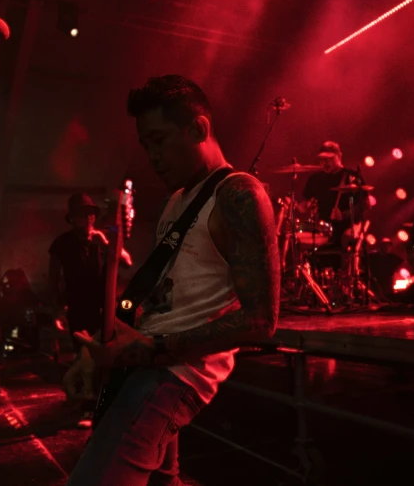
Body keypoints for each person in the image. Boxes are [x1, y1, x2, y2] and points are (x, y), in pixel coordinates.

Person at [67, 75, 281, 485]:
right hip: (151, 365)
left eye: (159, 140)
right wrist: (97, 349)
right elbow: (154, 294)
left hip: (173, 376)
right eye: (146, 145)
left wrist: (150, 349)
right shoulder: (176, 200)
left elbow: (261, 321)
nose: (152, 156)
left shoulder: (238, 194)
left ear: (198, 128)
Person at [49, 194, 132, 422]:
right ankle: (86, 401)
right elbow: (53, 278)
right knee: (84, 355)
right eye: (84, 214)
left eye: (92, 214)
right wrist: (57, 309)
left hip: (102, 309)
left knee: (97, 356)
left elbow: (126, 262)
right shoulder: (62, 243)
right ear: (73, 218)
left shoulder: (102, 240)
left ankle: (91, 404)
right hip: (77, 308)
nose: (89, 218)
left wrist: (105, 243)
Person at [299, 140, 371, 248]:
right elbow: (304, 205)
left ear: (339, 157)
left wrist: (344, 214)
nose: (326, 162)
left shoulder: (351, 176)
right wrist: (296, 205)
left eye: (330, 159)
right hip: (323, 228)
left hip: (347, 227)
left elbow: (366, 204)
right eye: (323, 159)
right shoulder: (314, 179)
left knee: (346, 240)